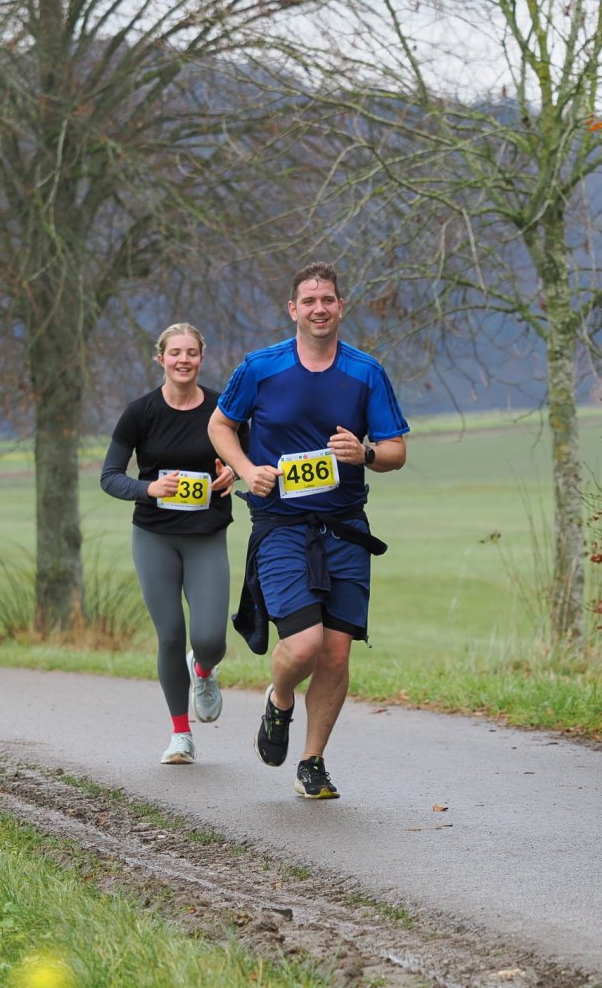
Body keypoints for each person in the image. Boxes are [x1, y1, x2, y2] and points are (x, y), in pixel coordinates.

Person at [209, 262, 408, 800]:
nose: (319, 309)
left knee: (336, 654)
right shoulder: (261, 367)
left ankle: (312, 761)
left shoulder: (366, 372)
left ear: (341, 307)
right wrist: (246, 469)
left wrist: (365, 453)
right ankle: (279, 700)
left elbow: (395, 450)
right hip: (281, 524)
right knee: (303, 647)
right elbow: (221, 424)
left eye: (328, 300)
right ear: (293, 309)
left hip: (345, 528)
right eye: (309, 301)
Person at [101, 323, 237, 765]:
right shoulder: (140, 413)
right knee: (172, 635)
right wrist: (148, 489)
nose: (183, 360)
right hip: (154, 536)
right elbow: (110, 477)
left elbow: (248, 459)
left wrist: (233, 472)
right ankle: (181, 735)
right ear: (160, 358)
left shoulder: (222, 408)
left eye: (191, 352)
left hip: (206, 535)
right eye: (175, 352)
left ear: (201, 358)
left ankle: (204, 668)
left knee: (209, 637)